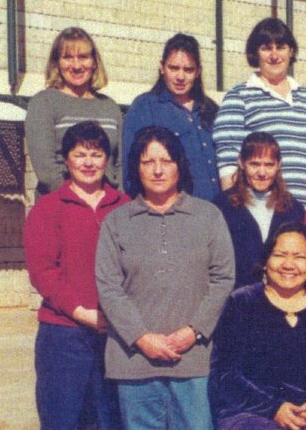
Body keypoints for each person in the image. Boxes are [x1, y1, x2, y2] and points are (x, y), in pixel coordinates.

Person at [95, 125, 235, 429]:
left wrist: (194, 330)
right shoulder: (117, 221)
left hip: (193, 360)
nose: (157, 170)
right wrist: (142, 338)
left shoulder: (208, 216)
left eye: (166, 161)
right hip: (134, 361)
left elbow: (223, 278)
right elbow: (108, 287)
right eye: (148, 162)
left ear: (179, 166)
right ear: (136, 167)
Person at [24, 121, 129, 430]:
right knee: (63, 420)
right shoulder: (48, 208)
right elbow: (43, 272)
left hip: (115, 335)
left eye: (96, 154)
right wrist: (83, 313)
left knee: (111, 420)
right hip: (64, 335)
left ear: (107, 160)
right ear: (66, 160)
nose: (88, 163)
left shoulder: (125, 207)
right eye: (80, 154)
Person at [210, 222, 306, 430]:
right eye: (280, 255)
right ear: (265, 261)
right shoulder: (242, 302)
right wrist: (273, 409)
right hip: (249, 412)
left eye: (299, 257)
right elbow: (225, 373)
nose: (289, 265)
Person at [213, 17, 306, 207]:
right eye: (266, 48)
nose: (274, 55)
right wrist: (237, 212)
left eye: (280, 47)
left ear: (291, 51)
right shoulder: (239, 96)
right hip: (263, 211)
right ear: (255, 53)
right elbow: (228, 162)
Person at [123, 33, 221, 201]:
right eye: (173, 68)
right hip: (171, 215)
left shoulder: (211, 110)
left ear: (198, 71)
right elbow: (130, 171)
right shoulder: (145, 107)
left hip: (216, 215)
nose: (180, 77)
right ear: (162, 67)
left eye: (188, 69)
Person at [26, 27, 122, 198]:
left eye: (83, 57)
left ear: (94, 62)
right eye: (68, 57)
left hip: (107, 209)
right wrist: (83, 202)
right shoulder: (43, 103)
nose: (76, 65)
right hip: (61, 206)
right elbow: (47, 170)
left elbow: (120, 164)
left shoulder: (110, 107)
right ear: (57, 63)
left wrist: (114, 201)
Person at [213, 132, 306, 289]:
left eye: (269, 165)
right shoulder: (222, 206)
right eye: (255, 164)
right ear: (241, 163)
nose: (262, 173)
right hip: (236, 300)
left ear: (278, 165)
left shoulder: (293, 208)